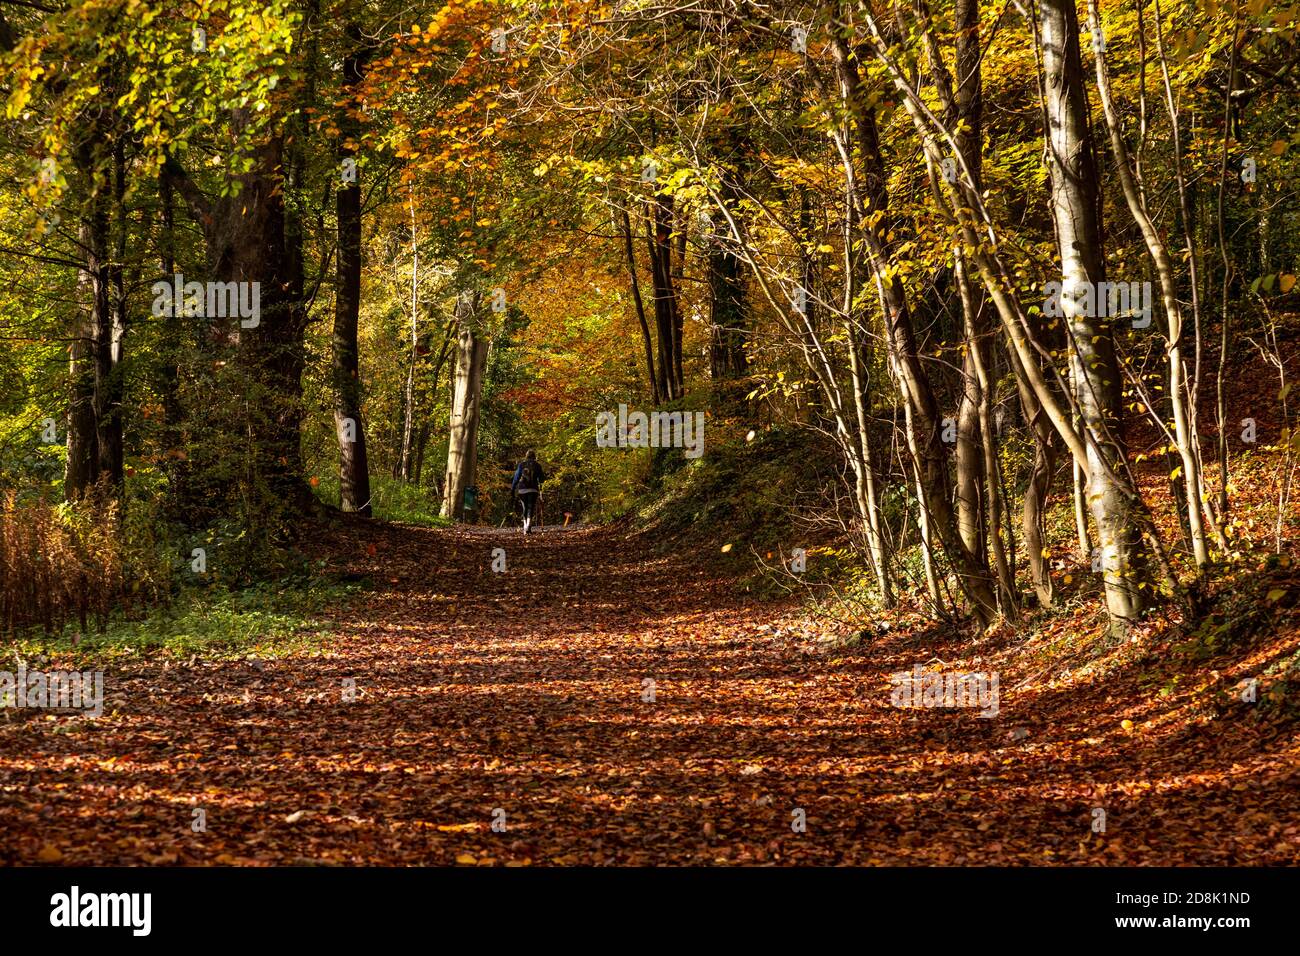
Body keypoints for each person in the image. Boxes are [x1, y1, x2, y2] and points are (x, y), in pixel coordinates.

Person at [510, 449, 545, 534]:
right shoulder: (537, 465)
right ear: (534, 456)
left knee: (524, 508)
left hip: (522, 490)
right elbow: (542, 480)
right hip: (533, 490)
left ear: (526, 456)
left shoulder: (521, 465)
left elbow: (516, 477)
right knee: (531, 508)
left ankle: (525, 526)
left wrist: (513, 488)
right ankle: (528, 525)